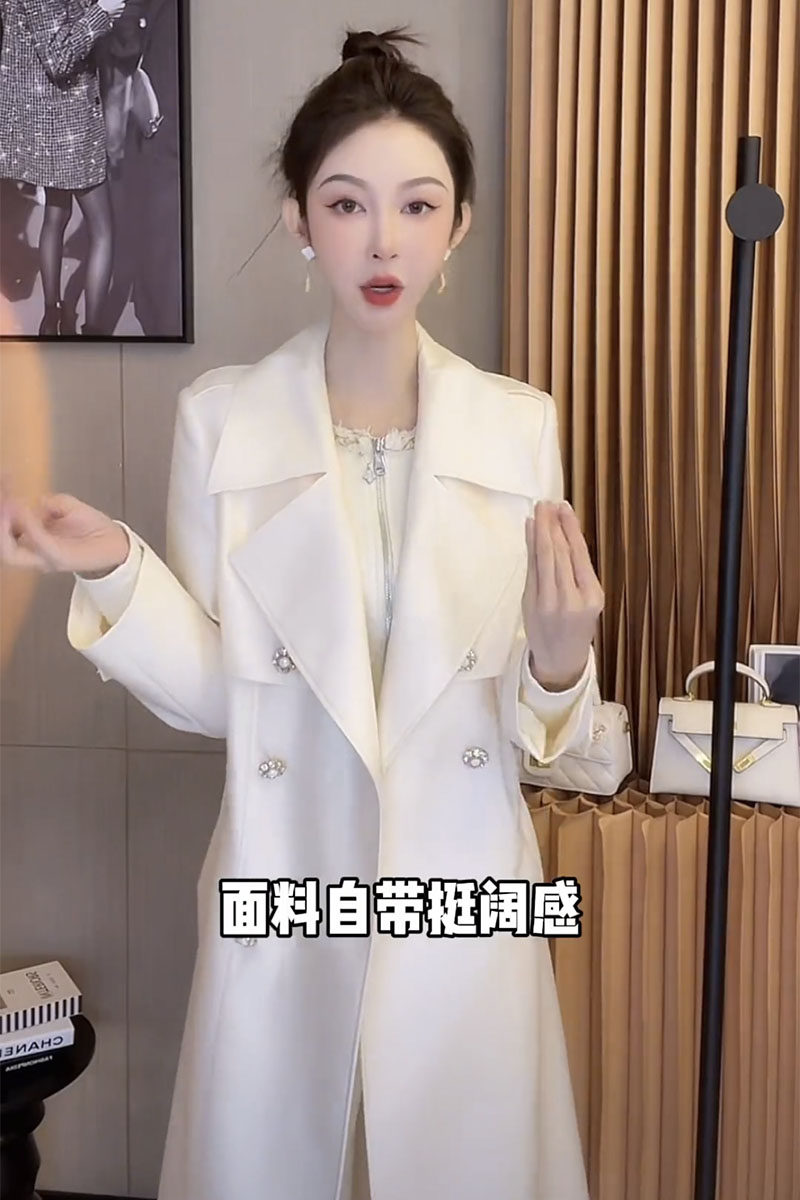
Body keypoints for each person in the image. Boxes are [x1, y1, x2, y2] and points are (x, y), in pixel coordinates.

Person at [0, 26, 603, 1200]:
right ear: (298, 220)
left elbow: (538, 734)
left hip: (459, 900)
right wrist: (114, 568)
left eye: (417, 206)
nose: (383, 241)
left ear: (457, 226)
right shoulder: (222, 421)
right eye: (346, 204)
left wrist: (558, 664)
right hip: (286, 888)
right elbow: (224, 697)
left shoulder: (517, 426)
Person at [0, 0, 127, 335]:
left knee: (55, 218)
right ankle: (95, 331)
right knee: (103, 230)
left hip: (48, 122)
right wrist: (102, 12)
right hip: (69, 121)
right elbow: (59, 59)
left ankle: (52, 315)